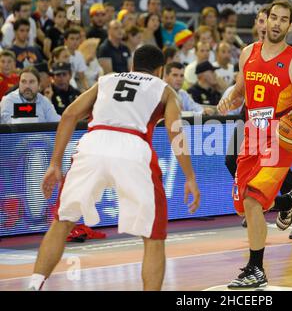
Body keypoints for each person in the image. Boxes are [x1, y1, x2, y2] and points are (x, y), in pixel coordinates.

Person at [28, 44, 200, 291]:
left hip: (93, 144)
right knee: (153, 236)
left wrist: (55, 163)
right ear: (161, 70)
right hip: (133, 147)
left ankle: (34, 284)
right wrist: (190, 177)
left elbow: (68, 115)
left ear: (132, 65)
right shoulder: (166, 90)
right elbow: (175, 131)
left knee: (62, 220)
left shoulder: (107, 80)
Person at [217, 0, 292, 289]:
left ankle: (256, 268)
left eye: (282, 19)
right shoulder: (248, 53)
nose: (276, 23)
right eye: (272, 17)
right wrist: (230, 99)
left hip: (281, 138)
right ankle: (289, 200)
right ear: (264, 20)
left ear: (290, 25)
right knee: (244, 206)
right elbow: (241, 91)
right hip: (253, 131)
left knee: (253, 199)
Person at [64, 28, 88, 92]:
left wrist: (87, 89)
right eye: (72, 39)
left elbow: (82, 76)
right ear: (65, 41)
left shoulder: (79, 54)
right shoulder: (61, 53)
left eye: (77, 39)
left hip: (72, 83)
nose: (75, 41)